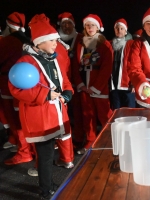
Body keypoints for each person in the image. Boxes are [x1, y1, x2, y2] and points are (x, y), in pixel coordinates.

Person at [8, 13, 73, 199]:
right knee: (44, 157)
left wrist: (68, 92)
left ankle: (50, 184)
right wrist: (44, 94)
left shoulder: (53, 58)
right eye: (52, 40)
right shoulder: (25, 62)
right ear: (39, 42)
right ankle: (46, 190)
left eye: (56, 40)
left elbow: (64, 80)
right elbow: (16, 88)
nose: (55, 43)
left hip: (55, 113)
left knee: (49, 154)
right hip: (40, 116)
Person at [72, 14, 113, 154]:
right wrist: (80, 85)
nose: (90, 28)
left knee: (104, 115)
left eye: (93, 25)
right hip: (84, 86)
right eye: (88, 25)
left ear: (98, 27)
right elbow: (75, 66)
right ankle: (90, 140)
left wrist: (96, 87)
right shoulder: (80, 43)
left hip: (98, 87)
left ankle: (111, 139)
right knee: (87, 116)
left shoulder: (104, 44)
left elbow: (107, 67)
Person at [0, 12, 33, 165]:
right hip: (26, 85)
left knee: (14, 119)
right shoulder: (28, 41)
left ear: (8, 25)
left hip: (8, 83)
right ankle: (25, 147)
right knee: (24, 118)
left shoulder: (8, 41)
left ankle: (24, 151)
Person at [57, 12, 85, 148]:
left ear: (73, 25)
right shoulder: (55, 40)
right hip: (61, 82)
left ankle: (79, 138)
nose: (66, 26)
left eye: (68, 24)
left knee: (78, 112)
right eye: (63, 24)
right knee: (62, 113)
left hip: (77, 80)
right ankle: (63, 141)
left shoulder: (80, 38)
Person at [110, 18, 135, 110]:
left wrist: (134, 82)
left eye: (121, 28)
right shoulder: (110, 44)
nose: (119, 30)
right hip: (114, 85)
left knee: (130, 112)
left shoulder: (131, 44)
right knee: (117, 112)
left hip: (127, 84)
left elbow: (134, 63)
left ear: (125, 31)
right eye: (117, 28)